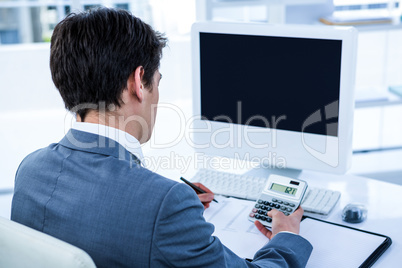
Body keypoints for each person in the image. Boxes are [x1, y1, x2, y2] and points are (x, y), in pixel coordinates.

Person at [11, 7, 312, 267]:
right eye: (157, 82)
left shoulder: (30, 170)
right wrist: (286, 235)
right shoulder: (165, 204)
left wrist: (176, 216)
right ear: (137, 84)